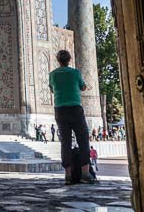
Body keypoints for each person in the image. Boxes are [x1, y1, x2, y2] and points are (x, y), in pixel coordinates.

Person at [49, 49, 96, 185]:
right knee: (83, 140)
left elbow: (52, 89)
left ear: (58, 60)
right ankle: (85, 174)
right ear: (69, 60)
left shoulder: (52, 74)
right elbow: (83, 87)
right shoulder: (75, 73)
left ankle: (68, 175)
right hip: (75, 109)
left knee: (65, 142)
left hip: (60, 110)